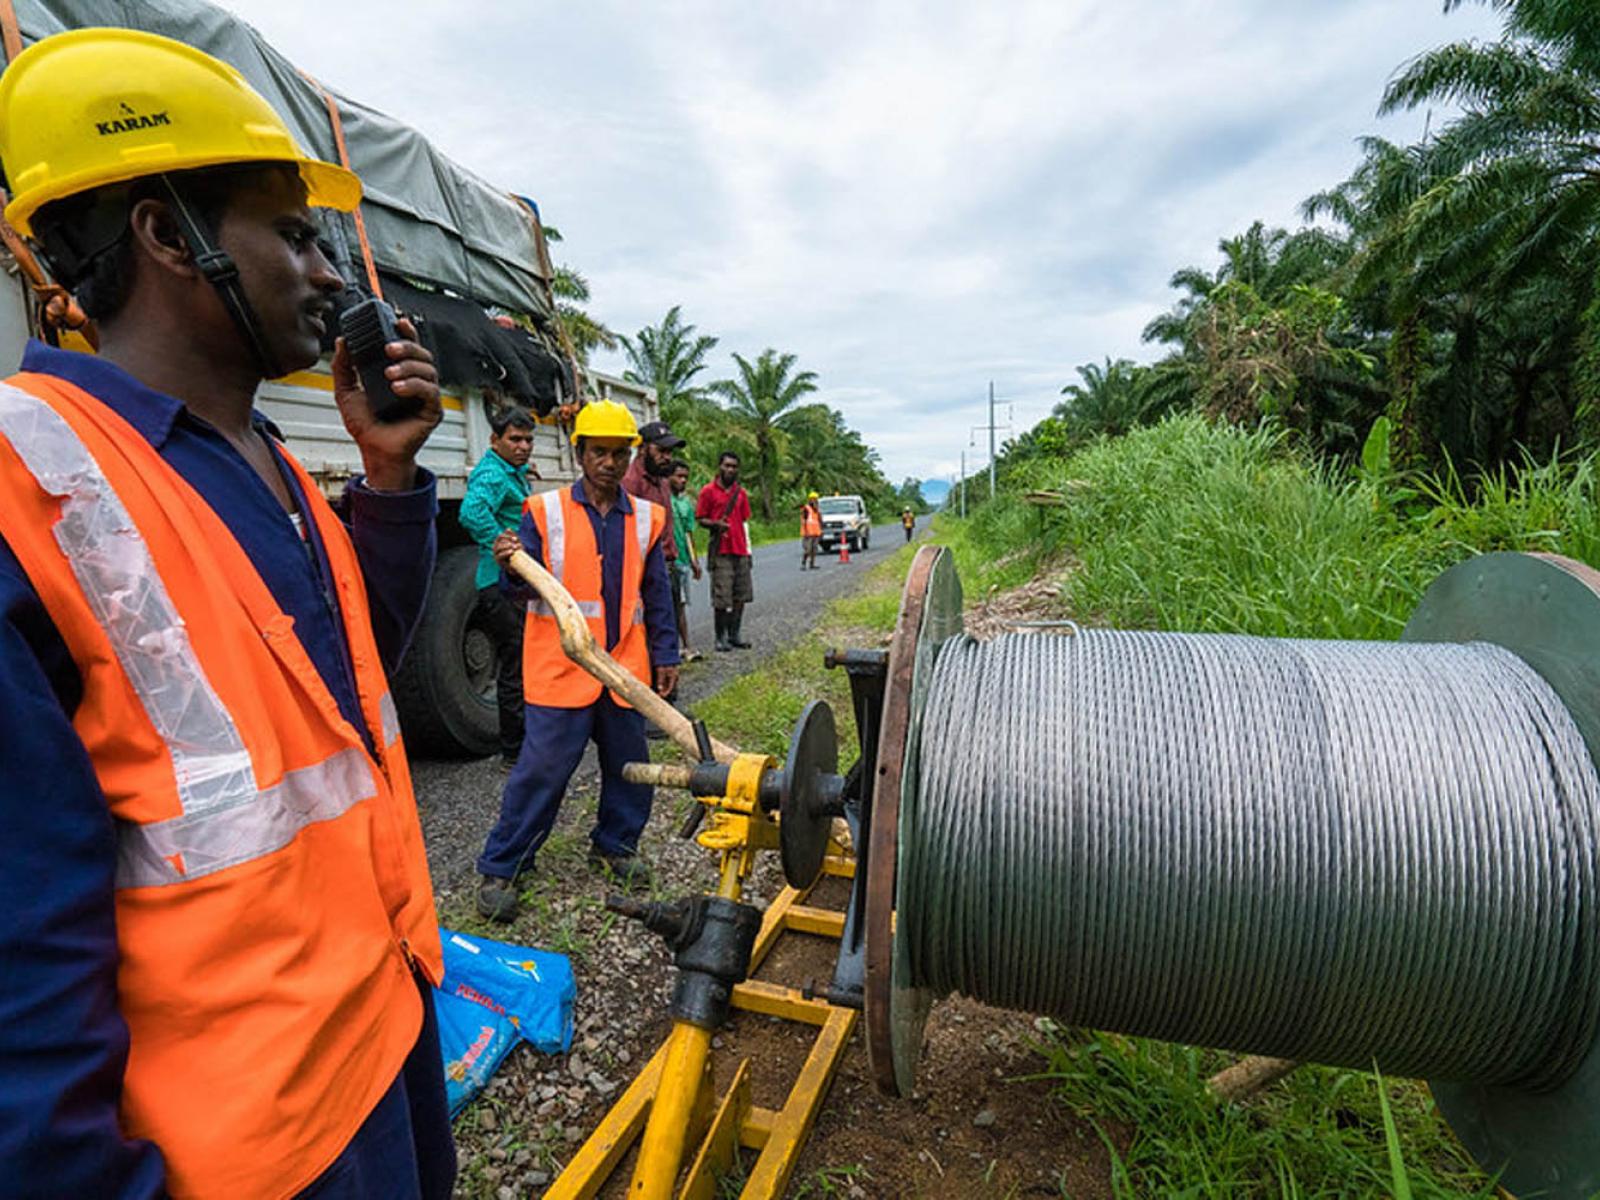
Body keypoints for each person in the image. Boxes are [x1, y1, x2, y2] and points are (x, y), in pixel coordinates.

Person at [0, 28, 453, 1200]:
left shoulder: (272, 466)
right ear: (166, 234)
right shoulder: (28, 486)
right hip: (249, 1152)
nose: (329, 277)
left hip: (382, 1038)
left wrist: (390, 482)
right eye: (295, 236)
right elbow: (21, 957)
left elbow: (349, 700)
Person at [477, 400, 680, 921]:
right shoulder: (543, 513)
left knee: (631, 768)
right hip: (561, 671)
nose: (608, 463)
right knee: (541, 770)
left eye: (618, 453)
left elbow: (656, 594)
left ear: (628, 455)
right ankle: (504, 866)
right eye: (598, 452)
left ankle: (616, 846)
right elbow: (515, 589)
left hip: (624, 672)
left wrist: (665, 654)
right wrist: (510, 564)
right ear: (580, 453)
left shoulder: (647, 520)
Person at [459, 407, 536, 769]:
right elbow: (472, 513)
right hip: (499, 583)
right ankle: (514, 751)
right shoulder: (491, 472)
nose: (523, 446)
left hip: (514, 584)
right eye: (515, 439)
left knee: (524, 662)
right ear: (495, 440)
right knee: (515, 665)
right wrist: (503, 546)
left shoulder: (511, 472)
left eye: (528, 440)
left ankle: (524, 743)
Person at [697, 450, 754, 652]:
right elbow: (700, 518)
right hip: (721, 550)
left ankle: (734, 634)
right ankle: (719, 637)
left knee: (741, 594)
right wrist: (715, 524)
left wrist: (749, 551)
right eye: (727, 465)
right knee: (722, 597)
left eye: (734, 466)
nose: (730, 469)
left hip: (740, 549)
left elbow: (745, 521)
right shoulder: (708, 491)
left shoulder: (741, 493)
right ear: (720, 467)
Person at [668, 459, 703, 661]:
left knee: (680, 604)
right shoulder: (663, 500)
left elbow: (689, 534)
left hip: (681, 561)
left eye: (685, 478)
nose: (682, 481)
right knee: (667, 606)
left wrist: (694, 561)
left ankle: (686, 645)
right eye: (679, 476)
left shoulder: (685, 504)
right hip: (667, 560)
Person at [800, 491, 823, 569]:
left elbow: (819, 521)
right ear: (810, 500)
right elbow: (804, 521)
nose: (815, 501)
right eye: (813, 499)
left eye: (816, 499)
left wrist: (821, 531)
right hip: (808, 533)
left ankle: (812, 564)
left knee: (814, 550)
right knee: (808, 550)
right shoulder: (806, 509)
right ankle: (803, 563)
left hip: (816, 533)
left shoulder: (817, 510)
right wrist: (806, 532)